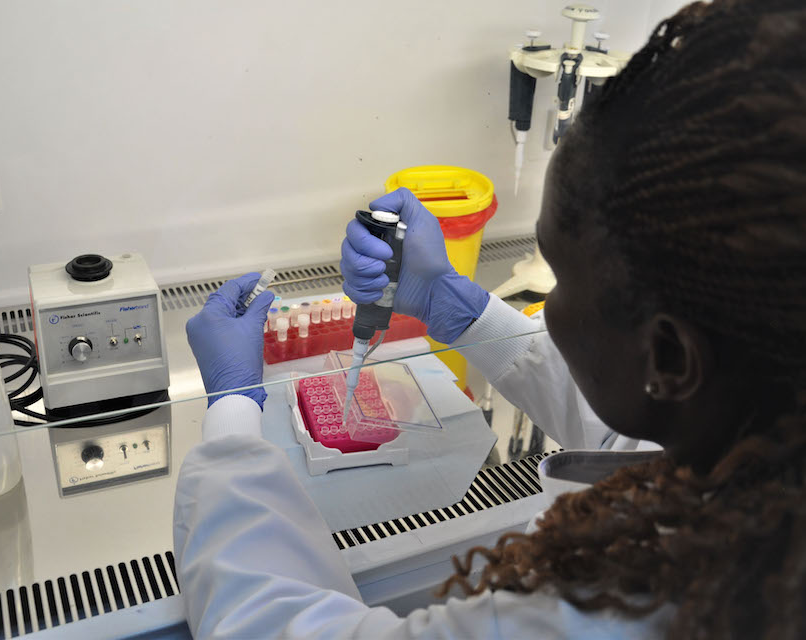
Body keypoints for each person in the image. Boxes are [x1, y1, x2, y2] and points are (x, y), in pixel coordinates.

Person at [176, 1, 805, 637]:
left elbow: (266, 626)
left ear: (670, 355)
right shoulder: (759, 433)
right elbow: (641, 434)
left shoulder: (610, 613)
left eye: (560, 277)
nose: (547, 307)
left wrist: (231, 413)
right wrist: (458, 306)